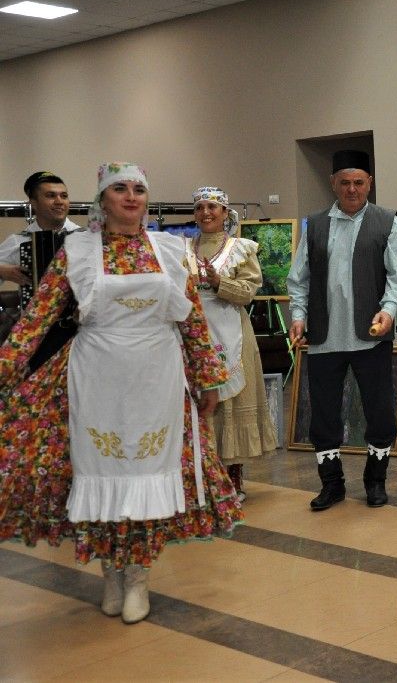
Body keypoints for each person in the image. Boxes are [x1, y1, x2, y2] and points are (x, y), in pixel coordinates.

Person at [0, 162, 242, 624]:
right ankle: (110, 571)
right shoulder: (78, 250)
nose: (131, 197)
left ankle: (138, 578)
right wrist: (7, 368)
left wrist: (207, 376)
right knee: (99, 474)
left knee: (150, 475)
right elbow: (38, 317)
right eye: (120, 189)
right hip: (96, 378)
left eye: (138, 189)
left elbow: (191, 319)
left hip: (158, 379)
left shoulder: (171, 250)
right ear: (102, 199)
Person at [287, 149, 397, 511]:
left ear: (369, 183)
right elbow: (299, 279)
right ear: (333, 184)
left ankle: (375, 480)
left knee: (380, 412)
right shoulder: (315, 225)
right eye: (345, 183)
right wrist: (298, 315)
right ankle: (332, 484)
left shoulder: (387, 222)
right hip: (325, 337)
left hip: (371, 336)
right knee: (323, 413)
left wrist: (389, 311)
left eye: (359, 182)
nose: (352, 189)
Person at [186, 186, 278, 501]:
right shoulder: (183, 249)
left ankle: (232, 481)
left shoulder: (240, 248)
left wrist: (218, 282)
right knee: (197, 405)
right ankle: (201, 480)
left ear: (225, 213)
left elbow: (248, 292)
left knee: (230, 406)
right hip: (193, 335)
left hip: (232, 334)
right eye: (200, 208)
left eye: (213, 207)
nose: (206, 213)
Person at [0, 171, 81, 285]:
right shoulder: (19, 241)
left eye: (64, 196)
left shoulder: (85, 237)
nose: (59, 201)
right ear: (34, 203)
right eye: (51, 196)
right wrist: (2, 271)